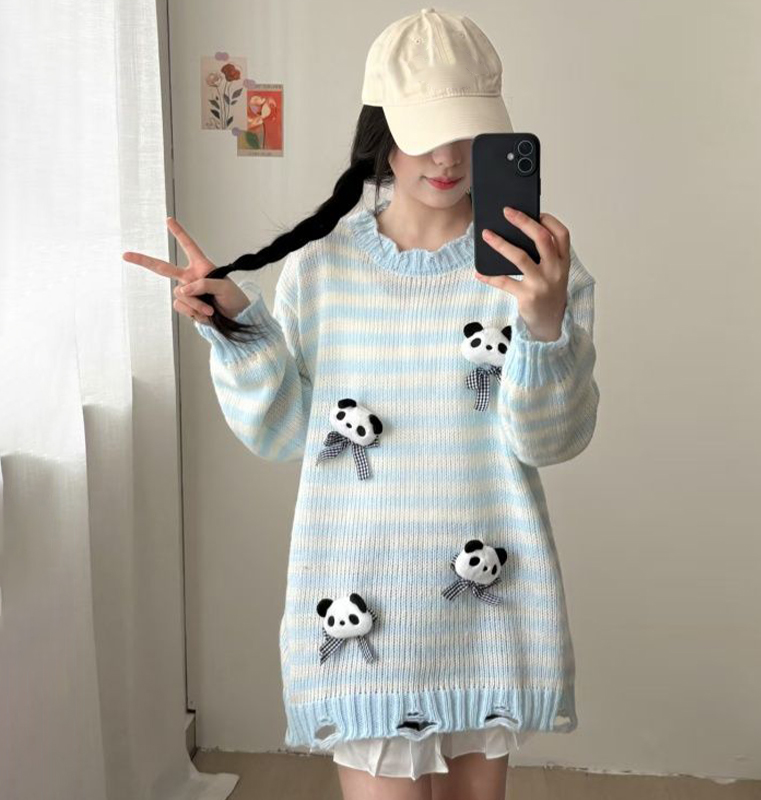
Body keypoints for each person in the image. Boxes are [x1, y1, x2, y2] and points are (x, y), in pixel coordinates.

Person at [123, 8, 600, 799]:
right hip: (360, 604)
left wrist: (544, 323)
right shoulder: (321, 269)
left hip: (485, 614)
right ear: (381, 131)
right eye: (425, 132)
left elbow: (551, 440)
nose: (447, 157)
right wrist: (240, 330)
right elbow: (285, 433)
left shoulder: (540, 268)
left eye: (468, 133)